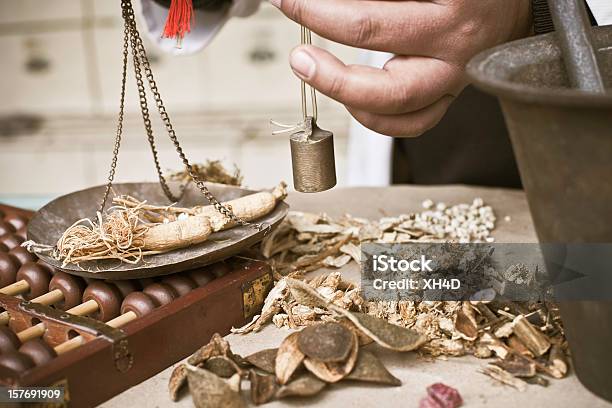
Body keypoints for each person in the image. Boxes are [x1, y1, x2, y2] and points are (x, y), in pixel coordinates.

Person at [141, 0, 612, 188]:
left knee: (576, 276)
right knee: (445, 279)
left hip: (580, 72)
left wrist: (527, 9)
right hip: (421, 121)